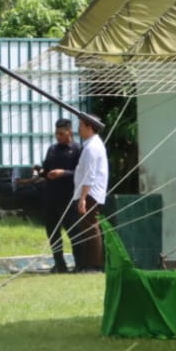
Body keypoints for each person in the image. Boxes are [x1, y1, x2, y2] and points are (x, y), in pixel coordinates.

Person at [37, 118, 81, 273]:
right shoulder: (52, 149)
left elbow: (81, 173)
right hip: (51, 196)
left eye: (61, 134)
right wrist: (40, 172)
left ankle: (79, 263)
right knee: (52, 231)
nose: (58, 137)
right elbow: (46, 170)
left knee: (73, 232)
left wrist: (64, 173)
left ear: (69, 132)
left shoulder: (77, 150)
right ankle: (59, 263)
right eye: (56, 134)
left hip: (68, 197)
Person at [71, 114, 109, 272]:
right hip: (90, 193)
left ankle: (94, 264)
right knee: (88, 228)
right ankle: (89, 263)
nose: (78, 128)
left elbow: (89, 175)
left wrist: (83, 198)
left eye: (81, 125)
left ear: (90, 127)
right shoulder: (92, 145)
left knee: (91, 228)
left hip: (90, 193)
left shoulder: (92, 147)